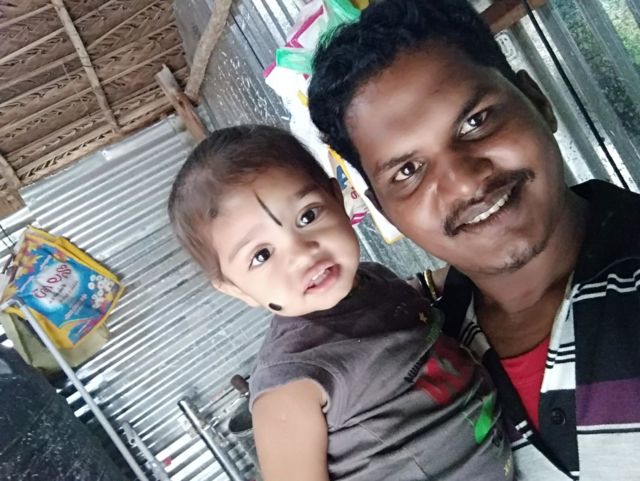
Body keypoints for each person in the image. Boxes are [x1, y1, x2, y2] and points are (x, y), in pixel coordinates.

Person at [308, 0, 640, 480]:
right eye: (408, 170)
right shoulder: (420, 364)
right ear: (383, 210)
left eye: (476, 121)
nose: (464, 183)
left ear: (537, 101)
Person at [167, 125, 513, 481]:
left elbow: (398, 302)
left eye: (307, 216)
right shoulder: (290, 387)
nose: (303, 254)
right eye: (261, 255)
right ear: (236, 289)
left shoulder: (369, 278)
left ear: (338, 198)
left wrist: (451, 274)